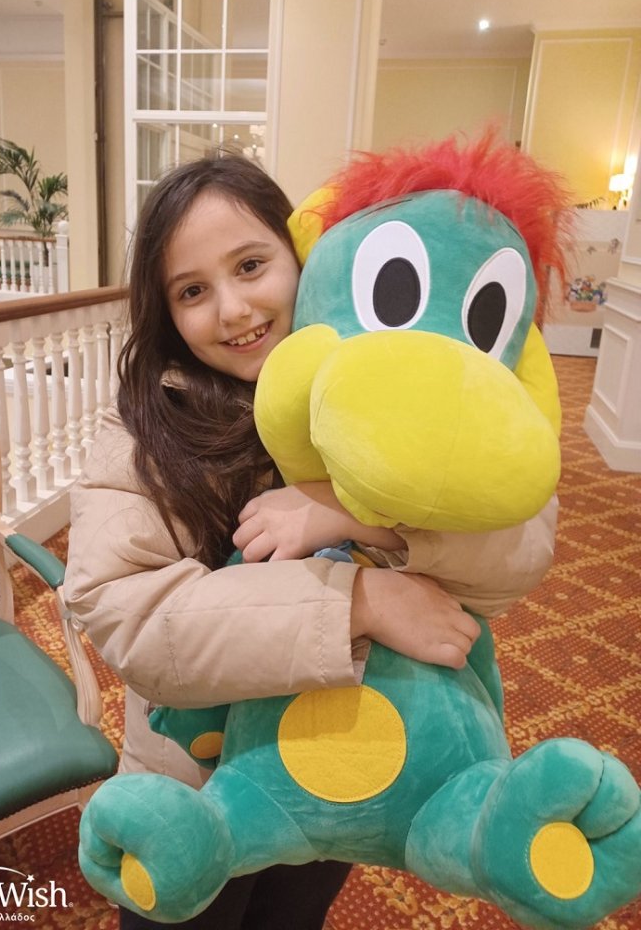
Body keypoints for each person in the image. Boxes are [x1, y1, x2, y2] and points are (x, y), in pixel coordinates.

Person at [62, 152, 558, 929]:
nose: (233, 309)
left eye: (250, 265)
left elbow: (519, 554)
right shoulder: (143, 432)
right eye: (192, 291)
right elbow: (130, 614)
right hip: (194, 784)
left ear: (304, 255)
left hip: (343, 755)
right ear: (166, 315)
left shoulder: (389, 389)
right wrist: (357, 602)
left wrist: (356, 519)